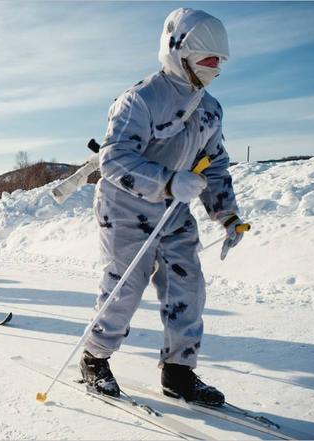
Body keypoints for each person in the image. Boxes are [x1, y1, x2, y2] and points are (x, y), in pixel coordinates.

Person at [79, 8, 246, 407]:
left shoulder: (210, 109)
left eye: (220, 61)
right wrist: (168, 180)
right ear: (180, 52)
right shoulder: (140, 99)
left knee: (187, 286)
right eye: (208, 59)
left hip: (174, 213)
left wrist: (227, 215)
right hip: (124, 210)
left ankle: (178, 371)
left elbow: (216, 165)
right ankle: (94, 358)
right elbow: (114, 160)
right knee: (124, 286)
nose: (215, 68)